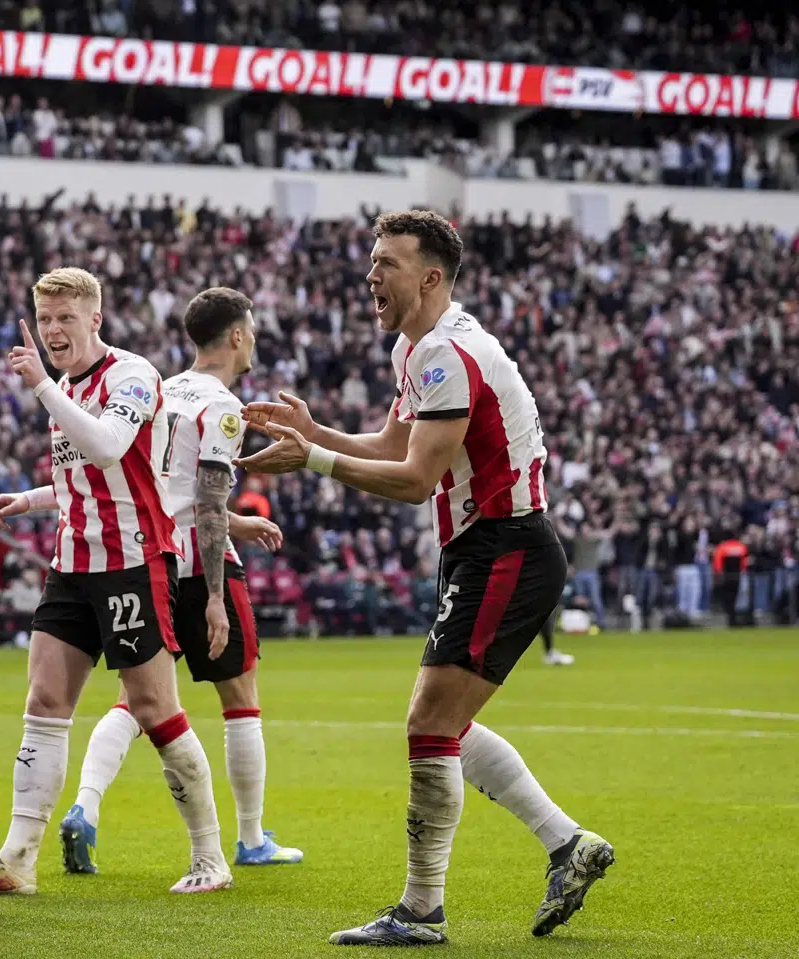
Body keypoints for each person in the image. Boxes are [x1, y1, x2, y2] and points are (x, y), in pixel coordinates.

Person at [239, 210, 613, 946]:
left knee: (428, 724)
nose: (371, 276)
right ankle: (568, 844)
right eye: (373, 261)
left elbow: (414, 479)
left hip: (507, 546)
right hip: (487, 547)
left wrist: (311, 462)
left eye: (387, 264)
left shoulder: (445, 354)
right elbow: (392, 442)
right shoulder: (420, 349)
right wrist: (316, 434)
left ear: (430, 276)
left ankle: (421, 910)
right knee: (443, 725)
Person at [0, 266, 231, 897]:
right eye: (45, 318)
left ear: (95, 319)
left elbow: (108, 447)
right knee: (45, 702)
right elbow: (85, 476)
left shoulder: (130, 375)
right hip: (73, 564)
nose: (54, 330)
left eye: (65, 318)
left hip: (132, 562)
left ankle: (210, 857)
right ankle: (17, 858)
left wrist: (43, 390)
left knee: (154, 707)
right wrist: (30, 499)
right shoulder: (67, 388)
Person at [53, 287, 302, 874]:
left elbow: (168, 488)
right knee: (240, 698)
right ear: (238, 335)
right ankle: (249, 839)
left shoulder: (155, 388)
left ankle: (84, 807)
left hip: (149, 558)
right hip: (199, 562)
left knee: (137, 700)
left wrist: (236, 520)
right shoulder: (223, 405)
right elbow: (208, 503)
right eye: (254, 330)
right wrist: (215, 594)